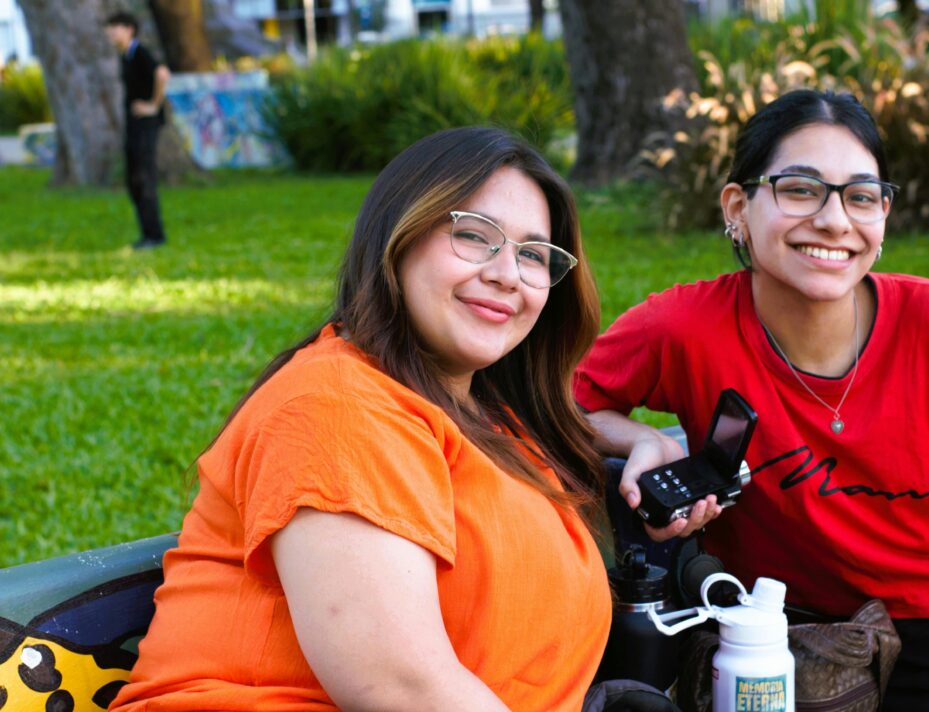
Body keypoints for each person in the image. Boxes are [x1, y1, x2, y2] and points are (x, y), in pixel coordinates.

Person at [573, 89, 929, 710]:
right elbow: (546, 405)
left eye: (861, 197)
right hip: (802, 645)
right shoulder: (684, 328)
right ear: (738, 207)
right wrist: (643, 437)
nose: (835, 220)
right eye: (801, 189)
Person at [109, 127, 612, 711]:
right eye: (475, 236)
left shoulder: (488, 418)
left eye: (532, 254)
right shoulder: (337, 407)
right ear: (397, 237)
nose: (507, 273)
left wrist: (641, 442)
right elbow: (401, 688)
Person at [105, 12, 169, 250]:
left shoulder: (140, 52)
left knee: (144, 178)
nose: (111, 33)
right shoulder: (125, 56)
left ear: (129, 29)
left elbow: (162, 74)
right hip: (134, 125)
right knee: (134, 180)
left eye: (115, 27)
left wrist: (153, 105)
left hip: (145, 125)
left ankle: (154, 235)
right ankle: (147, 234)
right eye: (109, 28)